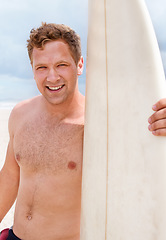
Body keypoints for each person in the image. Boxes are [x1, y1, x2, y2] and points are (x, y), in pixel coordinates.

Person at [0, 22, 166, 240]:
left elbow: (147, 168)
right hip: (15, 236)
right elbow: (11, 178)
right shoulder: (20, 114)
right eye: (42, 67)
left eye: (61, 65)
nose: (52, 77)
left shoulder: (101, 126)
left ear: (79, 65)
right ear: (32, 69)